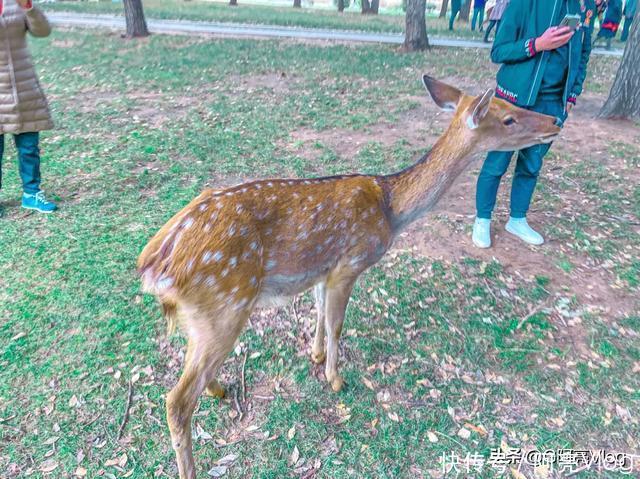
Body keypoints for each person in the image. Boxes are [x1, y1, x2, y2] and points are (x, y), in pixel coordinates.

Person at [472, 0, 595, 248]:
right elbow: (498, 51)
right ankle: (482, 219)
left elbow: (583, 52)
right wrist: (538, 44)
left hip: (551, 105)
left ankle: (517, 219)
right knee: (496, 164)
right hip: (513, 102)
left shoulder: (584, 5)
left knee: (531, 165)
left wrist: (571, 95)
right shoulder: (523, 3)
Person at [0, 0, 57, 213]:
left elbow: (42, 31)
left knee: (29, 147)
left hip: (24, 88)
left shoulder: (17, 3)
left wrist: (29, 9)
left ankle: (32, 193)